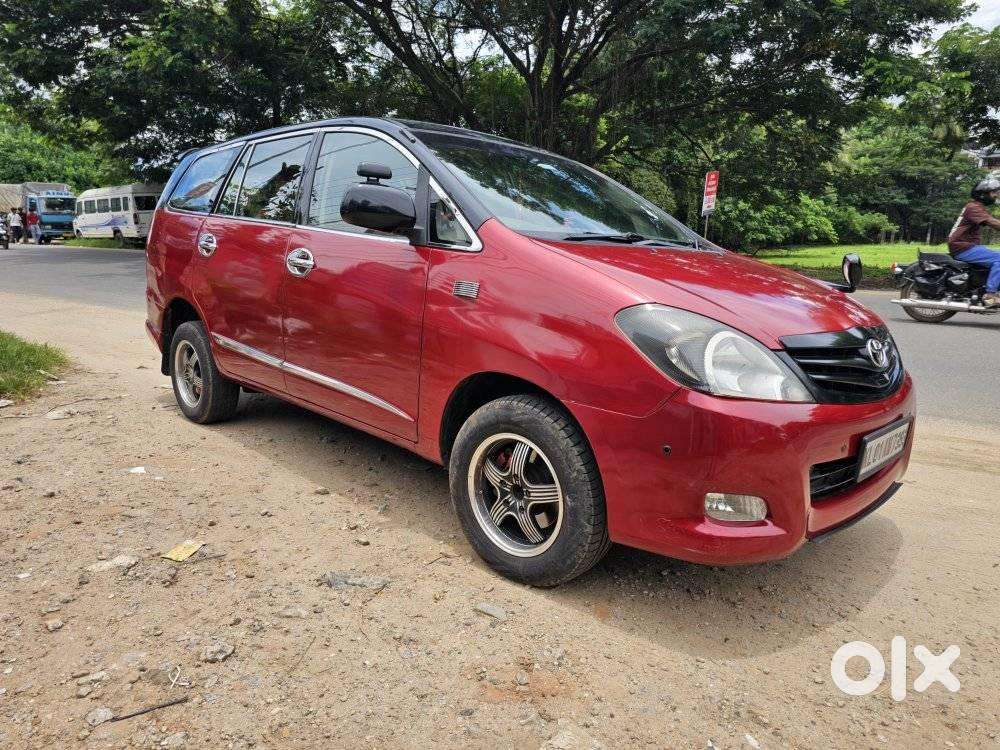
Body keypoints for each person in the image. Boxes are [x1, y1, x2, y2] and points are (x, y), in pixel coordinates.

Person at [948, 177, 1000, 308]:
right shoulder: (973, 207)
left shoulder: (976, 206)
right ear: (983, 194)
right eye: (993, 192)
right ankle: (990, 295)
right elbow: (992, 222)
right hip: (962, 247)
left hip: (966, 246)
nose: (996, 195)